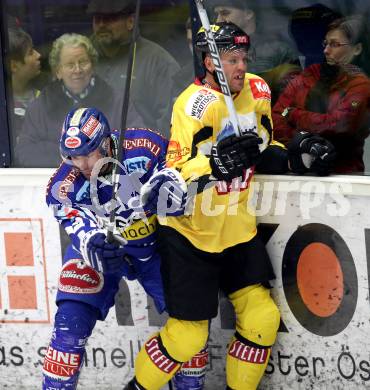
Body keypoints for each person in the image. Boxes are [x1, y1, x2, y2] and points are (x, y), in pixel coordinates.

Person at [125, 22, 335, 390]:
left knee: (262, 318)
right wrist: (213, 165)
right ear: (209, 62)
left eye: (243, 58)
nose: (241, 66)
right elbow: (172, 179)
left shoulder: (257, 89)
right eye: (231, 59)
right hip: (190, 236)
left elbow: (263, 148)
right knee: (187, 338)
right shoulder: (192, 105)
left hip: (237, 231)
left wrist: (296, 156)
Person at [42, 107, 207, 390]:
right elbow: (80, 229)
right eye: (72, 156)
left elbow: (179, 176)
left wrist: (172, 191)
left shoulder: (145, 146)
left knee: (191, 330)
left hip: (155, 249)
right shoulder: (61, 187)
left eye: (87, 153)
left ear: (106, 142)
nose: (79, 164)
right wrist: (93, 242)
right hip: (102, 256)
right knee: (67, 335)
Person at [16, 32, 143, 168]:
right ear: (58, 71)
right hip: (55, 181)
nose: (77, 70)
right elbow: (24, 151)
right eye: (70, 65)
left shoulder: (118, 101)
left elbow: (138, 142)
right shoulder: (41, 105)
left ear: (93, 66)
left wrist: (97, 158)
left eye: (83, 62)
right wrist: (71, 156)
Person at [273, 16, 370, 174]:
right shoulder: (310, 75)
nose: (326, 50)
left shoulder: (361, 85)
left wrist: (293, 113)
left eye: (335, 45)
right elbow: (278, 114)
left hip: (342, 175)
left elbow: (338, 126)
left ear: (357, 49)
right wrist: (303, 145)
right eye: (325, 43)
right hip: (299, 169)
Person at [87, 0, 180, 136]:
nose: (101, 25)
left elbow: (171, 121)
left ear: (130, 22)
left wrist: (146, 150)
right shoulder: (83, 58)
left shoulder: (158, 62)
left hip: (139, 151)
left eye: (110, 19)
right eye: (97, 19)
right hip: (89, 152)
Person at [6, 27, 41, 149]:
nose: (38, 55)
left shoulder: (42, 97)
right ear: (14, 66)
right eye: (31, 52)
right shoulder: (5, 106)